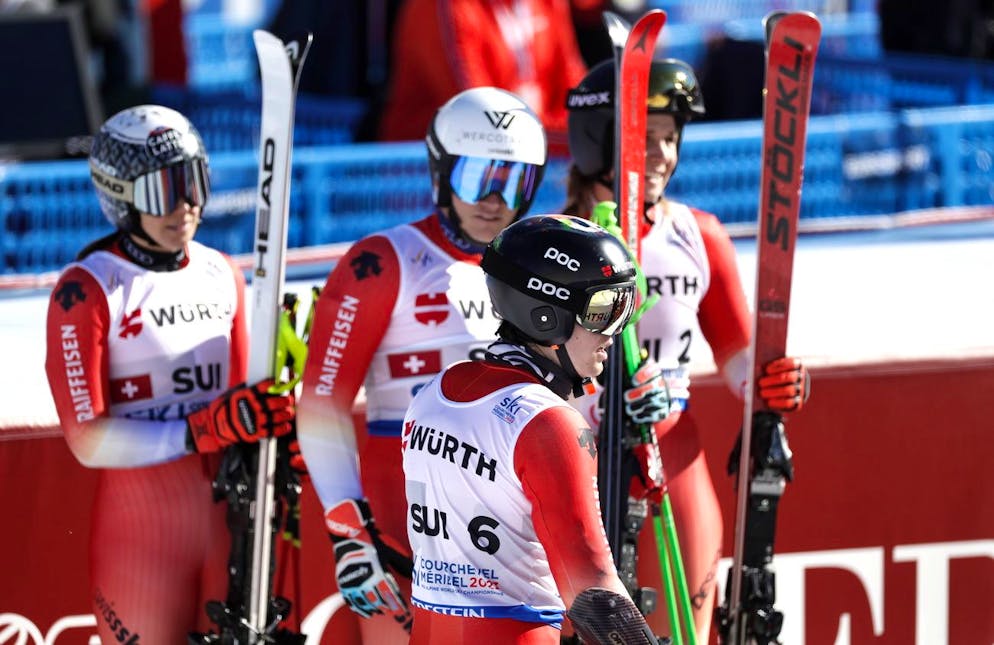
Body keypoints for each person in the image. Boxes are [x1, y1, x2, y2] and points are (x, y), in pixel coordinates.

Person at [563, 58, 812, 641]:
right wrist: (605, 391)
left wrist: (773, 381)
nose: (662, 154)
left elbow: (738, 356)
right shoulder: (551, 238)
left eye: (671, 138)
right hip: (574, 462)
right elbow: (518, 369)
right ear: (599, 138)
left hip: (673, 458)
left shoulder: (698, 233)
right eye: (645, 137)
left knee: (687, 628)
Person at [296, 86, 549, 643]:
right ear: (440, 172)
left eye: (514, 182)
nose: (495, 200)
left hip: (517, 507)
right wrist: (349, 531)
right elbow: (320, 404)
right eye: (476, 177)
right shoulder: (382, 263)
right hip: (403, 514)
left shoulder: (546, 266)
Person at [44, 104, 295, 643]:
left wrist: (271, 425)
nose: (185, 206)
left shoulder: (220, 272)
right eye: (162, 191)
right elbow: (87, 439)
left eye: (194, 182)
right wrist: (198, 430)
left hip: (226, 521)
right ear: (121, 197)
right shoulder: (86, 290)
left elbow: (240, 399)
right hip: (141, 536)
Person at [402, 213, 657, 644]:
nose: (613, 334)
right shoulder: (548, 423)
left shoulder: (431, 396)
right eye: (602, 312)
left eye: (623, 310)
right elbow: (595, 595)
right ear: (547, 315)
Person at [377, 0, 588, 153]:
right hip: (426, 184)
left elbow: (578, 99)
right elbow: (480, 119)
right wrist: (589, 137)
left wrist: (593, 129)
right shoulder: (442, 7)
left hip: (526, 168)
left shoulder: (549, 4)